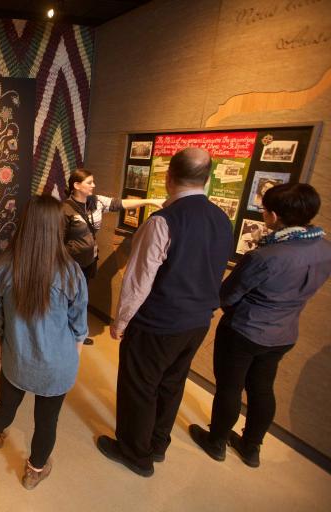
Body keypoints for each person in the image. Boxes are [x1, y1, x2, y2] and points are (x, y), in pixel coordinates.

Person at [96, 147, 233, 477]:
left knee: (139, 386)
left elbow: (139, 280)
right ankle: (157, 444)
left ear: (169, 178)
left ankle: (134, 453)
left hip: (158, 322)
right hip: (198, 322)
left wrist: (122, 320)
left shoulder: (163, 221)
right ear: (208, 178)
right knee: (172, 383)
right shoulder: (222, 219)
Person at [189, 183, 331, 468]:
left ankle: (216, 441)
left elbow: (228, 294)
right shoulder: (324, 248)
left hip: (245, 330)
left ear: (274, 216)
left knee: (230, 387)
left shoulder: (266, 256)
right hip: (285, 332)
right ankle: (251, 447)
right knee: (262, 388)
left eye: (264, 209)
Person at [0, 195, 88, 490]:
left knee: (8, 401)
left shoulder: (4, 267)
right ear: (56, 229)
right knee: (47, 421)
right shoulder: (71, 271)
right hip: (58, 365)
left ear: (24, 225)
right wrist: (72, 359)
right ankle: (34, 470)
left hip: (18, 358)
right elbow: (79, 326)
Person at [63, 169, 163, 344]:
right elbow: (58, 239)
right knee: (67, 297)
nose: (93, 185)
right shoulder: (64, 208)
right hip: (69, 264)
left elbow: (121, 204)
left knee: (82, 296)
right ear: (76, 185)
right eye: (89, 182)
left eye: (93, 181)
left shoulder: (97, 201)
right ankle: (63, 332)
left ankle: (77, 332)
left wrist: (151, 201)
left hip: (89, 260)